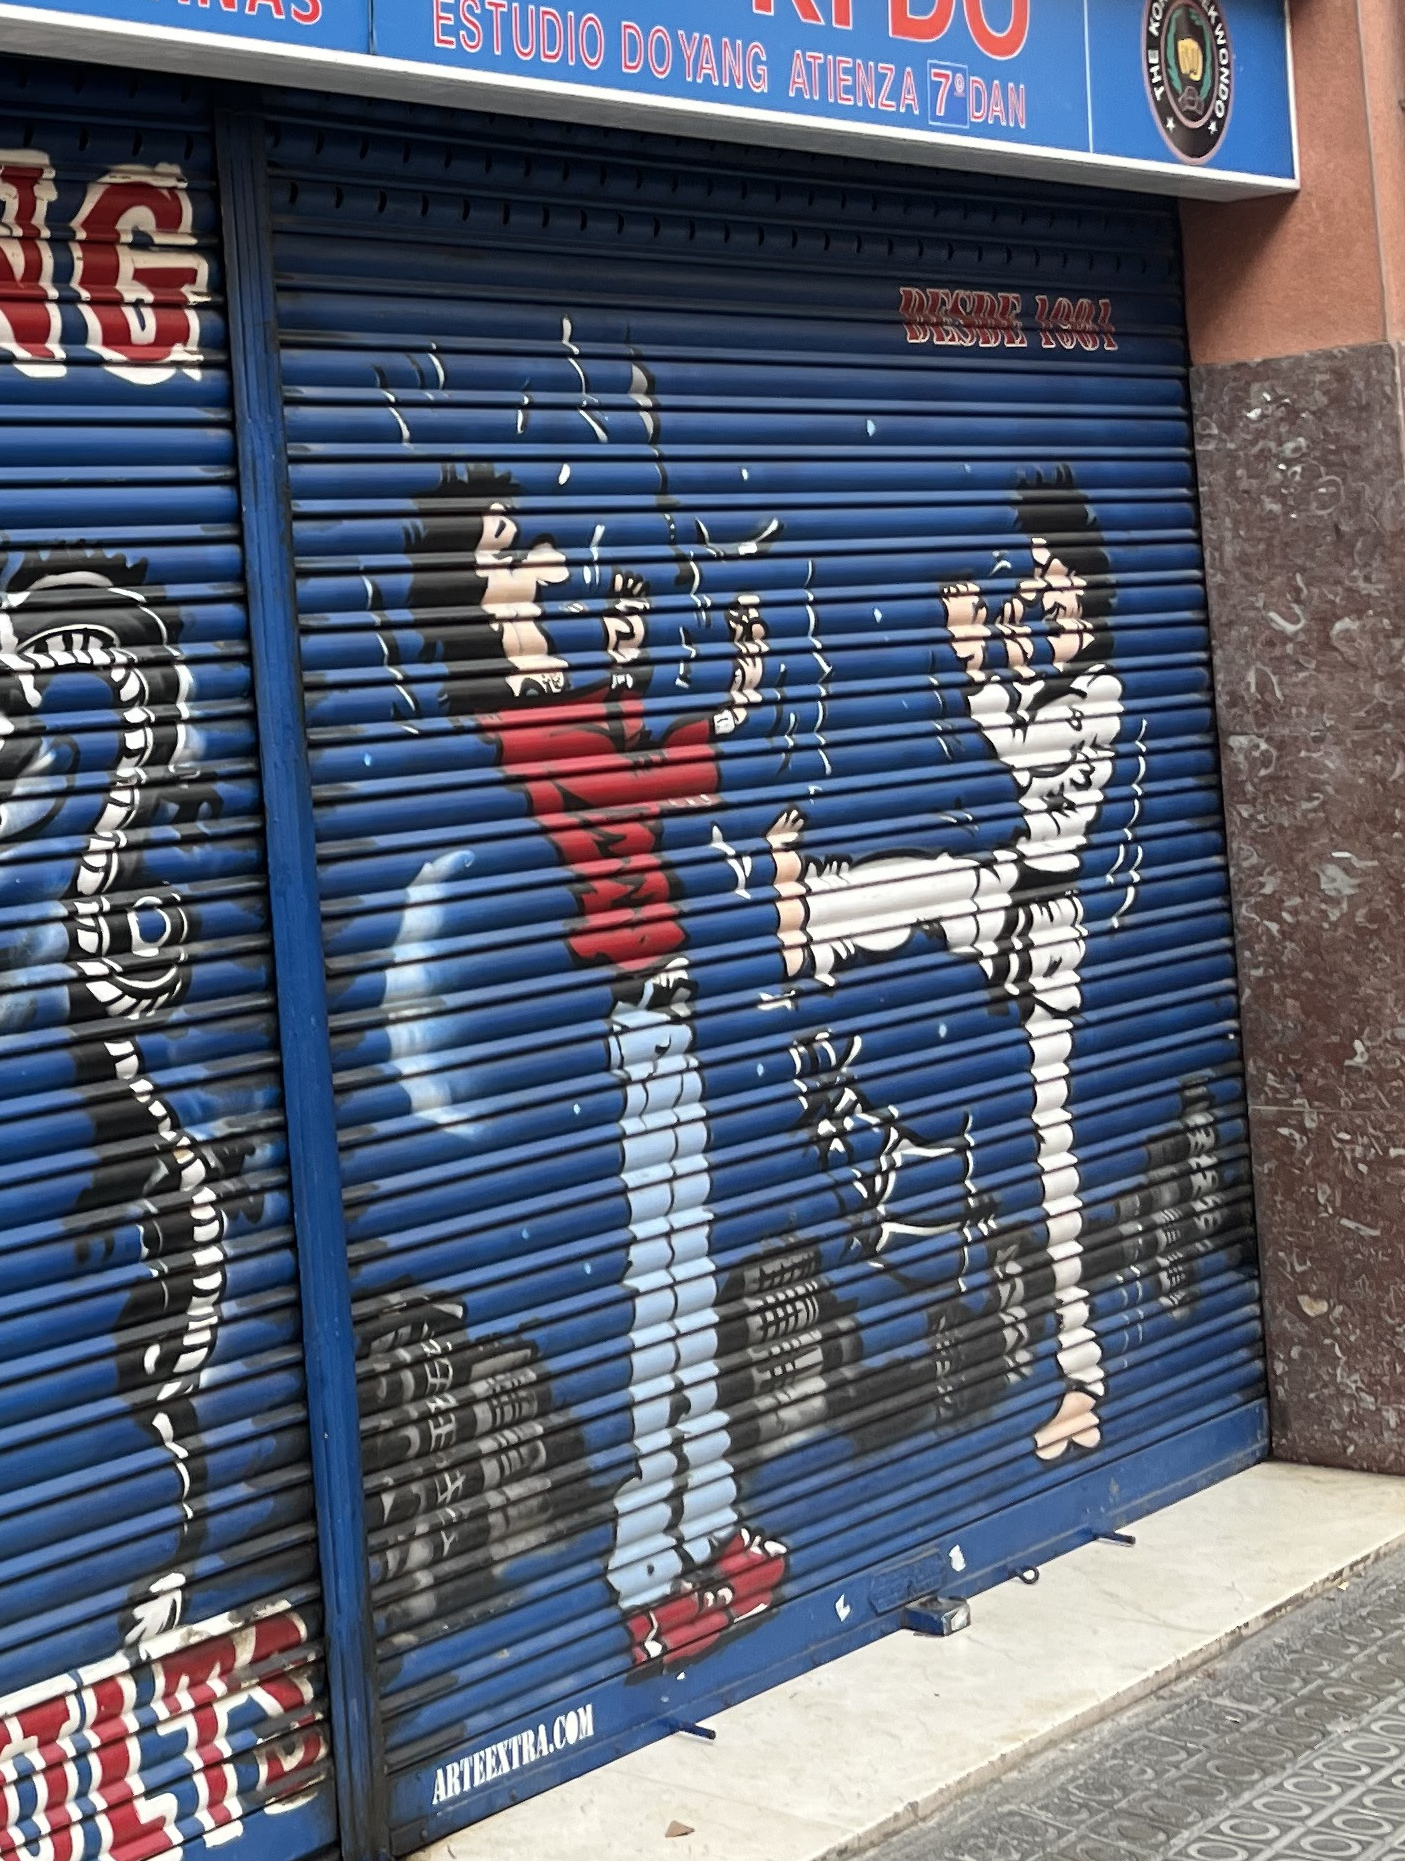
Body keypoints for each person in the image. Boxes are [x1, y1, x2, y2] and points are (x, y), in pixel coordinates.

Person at [405, 467, 785, 1680]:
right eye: (513, 547)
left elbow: (632, 757)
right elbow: (639, 785)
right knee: (657, 1307)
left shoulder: (559, 699)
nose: (548, 560)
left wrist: (650, 670)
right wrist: (696, 699)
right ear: (472, 592)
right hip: (630, 1033)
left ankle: (712, 1533)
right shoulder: (513, 724)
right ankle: (646, 1575)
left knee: (686, 1291)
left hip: (665, 1013)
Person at [764, 470, 1123, 1464]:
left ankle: (1081, 1384)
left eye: (1050, 579)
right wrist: (985, 656)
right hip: (1015, 890)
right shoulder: (1056, 674)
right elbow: (1012, 734)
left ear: (1085, 587)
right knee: (929, 883)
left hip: (1044, 915)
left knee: (1052, 1151)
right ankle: (816, 919)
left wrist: (986, 655)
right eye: (1037, 577)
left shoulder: (1098, 690)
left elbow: (1025, 751)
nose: (1037, 593)